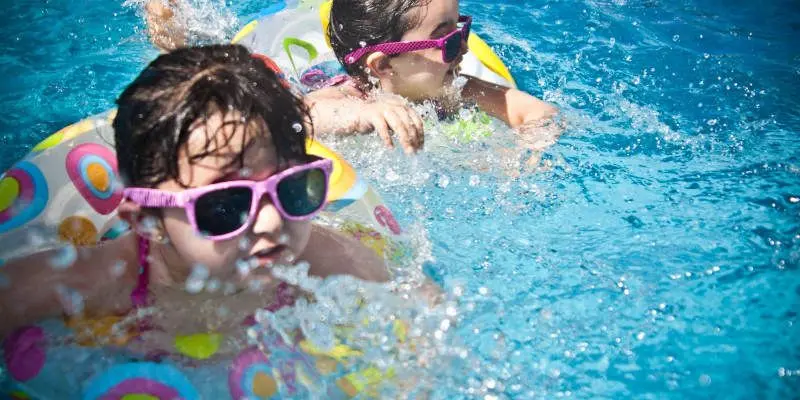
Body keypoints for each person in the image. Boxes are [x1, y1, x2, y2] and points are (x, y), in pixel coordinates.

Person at [0, 44, 389, 342]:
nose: (272, 221)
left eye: (292, 188)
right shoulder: (92, 283)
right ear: (148, 221)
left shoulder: (329, 263)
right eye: (226, 205)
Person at [143, 0, 560, 157]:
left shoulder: (455, 87)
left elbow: (535, 112)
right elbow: (297, 117)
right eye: (447, 41)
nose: (463, 48)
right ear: (382, 67)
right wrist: (363, 115)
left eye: (462, 30)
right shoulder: (352, 96)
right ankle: (167, 24)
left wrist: (529, 150)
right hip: (295, 79)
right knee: (192, 76)